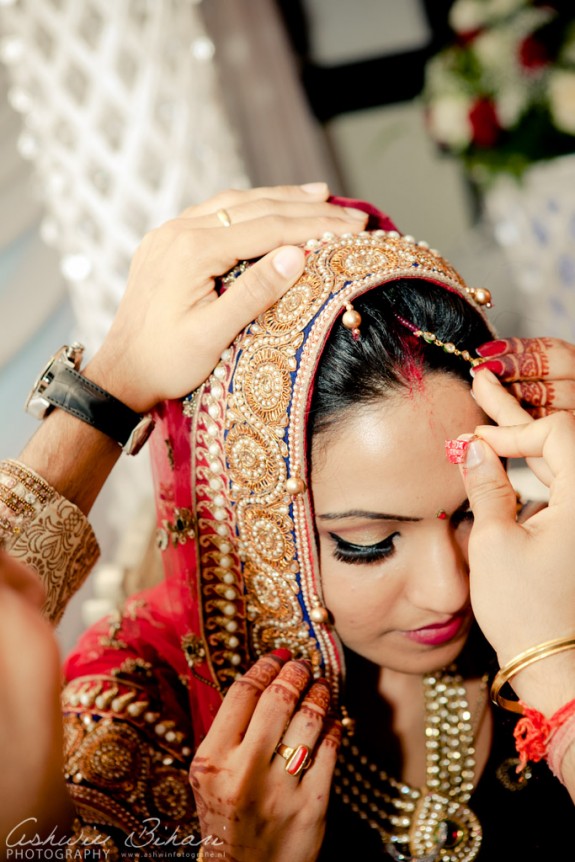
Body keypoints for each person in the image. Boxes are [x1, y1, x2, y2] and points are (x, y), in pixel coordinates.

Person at [1, 185, 574, 861]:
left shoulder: (545, 582)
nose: (449, 589)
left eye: (479, 508)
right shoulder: (145, 714)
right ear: (258, 527)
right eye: (369, 542)